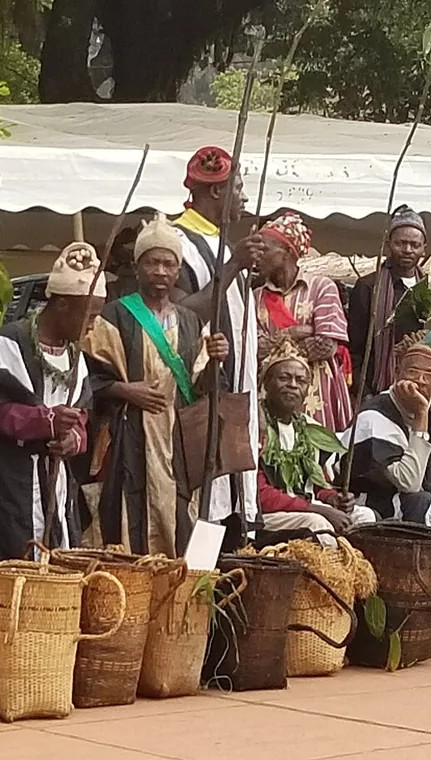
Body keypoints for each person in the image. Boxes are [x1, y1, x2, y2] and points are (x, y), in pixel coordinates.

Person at [84, 216, 229, 556]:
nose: (161, 271)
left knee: (181, 519)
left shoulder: (192, 321)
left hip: (178, 441)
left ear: (178, 271)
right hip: (129, 438)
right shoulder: (114, 316)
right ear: (138, 267)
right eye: (153, 262)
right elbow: (88, 378)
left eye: (168, 264)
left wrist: (216, 359)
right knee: (127, 518)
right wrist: (124, 390)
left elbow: (205, 388)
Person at [0, 242, 98, 565]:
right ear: (64, 305)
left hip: (54, 480)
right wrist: (47, 421)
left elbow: (82, 414)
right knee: (6, 560)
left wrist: (72, 440)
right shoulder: (10, 342)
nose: (95, 322)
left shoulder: (75, 353)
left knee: (52, 562)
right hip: (7, 478)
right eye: (90, 314)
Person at [172, 146, 260, 531]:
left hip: (237, 398)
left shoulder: (224, 245)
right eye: (238, 187)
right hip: (202, 397)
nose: (243, 197)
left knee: (230, 520)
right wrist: (235, 265)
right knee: (204, 515)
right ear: (214, 193)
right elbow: (182, 317)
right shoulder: (177, 242)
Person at [345, 340, 431, 528]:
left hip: (426, 498)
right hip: (375, 503)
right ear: (397, 374)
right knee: (420, 502)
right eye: (412, 372)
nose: (419, 380)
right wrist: (421, 416)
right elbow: (408, 482)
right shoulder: (375, 415)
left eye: (428, 375)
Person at [255, 339, 373, 541]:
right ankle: (330, 572)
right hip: (268, 515)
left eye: (300, 381)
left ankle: (359, 569)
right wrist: (319, 510)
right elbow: (260, 495)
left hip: (308, 508)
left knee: (365, 516)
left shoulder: (309, 428)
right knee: (319, 524)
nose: (293, 385)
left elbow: (319, 485)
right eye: (284, 378)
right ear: (266, 383)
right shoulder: (257, 425)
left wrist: (333, 499)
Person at [253, 212, 353, 432]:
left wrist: (276, 343)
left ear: (288, 252)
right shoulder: (255, 297)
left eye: (265, 250)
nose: (257, 256)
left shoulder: (321, 287)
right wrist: (296, 332)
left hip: (317, 391)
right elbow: (254, 348)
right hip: (272, 393)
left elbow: (326, 346)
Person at [348, 205, 431, 399]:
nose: (407, 250)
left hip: (423, 388)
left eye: (414, 245)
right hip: (378, 389)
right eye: (401, 243)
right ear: (389, 244)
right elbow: (355, 347)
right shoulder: (369, 287)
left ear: (424, 249)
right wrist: (364, 393)